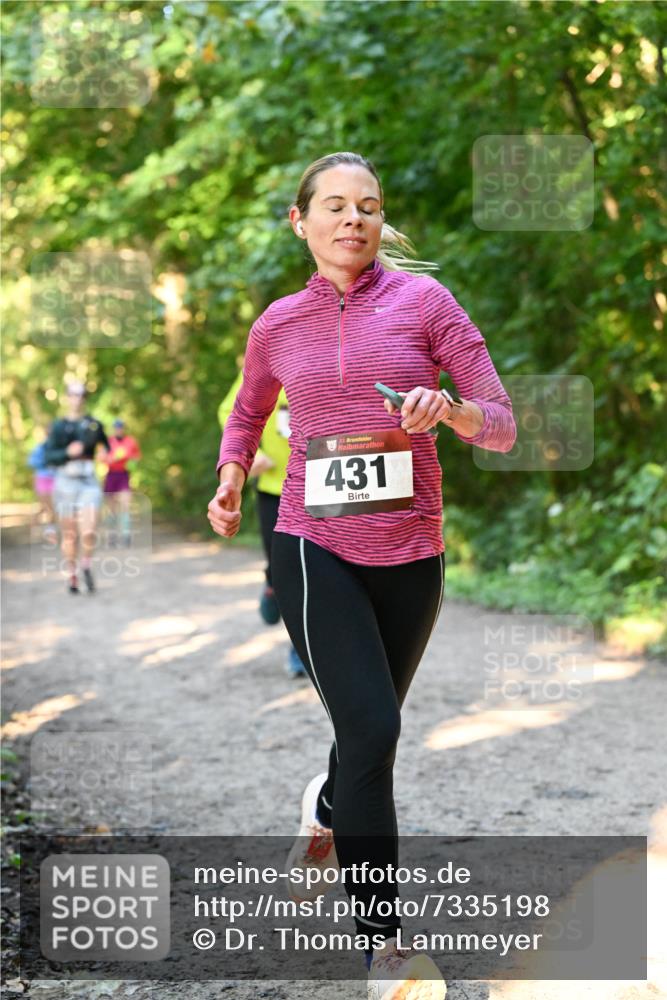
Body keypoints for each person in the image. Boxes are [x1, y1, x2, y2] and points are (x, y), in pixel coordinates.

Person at [207, 151, 517, 1000]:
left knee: (362, 734)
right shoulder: (276, 324)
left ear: (381, 222)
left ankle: (329, 810)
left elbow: (500, 425)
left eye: (369, 206)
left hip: (411, 549)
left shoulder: (427, 304)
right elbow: (247, 409)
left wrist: (447, 409)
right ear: (300, 221)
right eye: (335, 206)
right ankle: (386, 948)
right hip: (313, 544)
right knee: (375, 733)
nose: (353, 219)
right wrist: (233, 473)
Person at [219, 369, 307, 678]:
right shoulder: (268, 362)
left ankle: (301, 652)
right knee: (282, 566)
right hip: (274, 487)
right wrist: (250, 454)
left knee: (309, 572)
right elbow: (232, 412)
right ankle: (272, 582)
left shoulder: (332, 355)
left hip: (320, 488)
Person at [44, 381, 110, 594]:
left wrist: (104, 455)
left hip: (88, 482)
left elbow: (107, 448)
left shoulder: (94, 424)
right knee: (70, 535)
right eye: (73, 394)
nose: (78, 398)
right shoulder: (58, 426)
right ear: (67, 397)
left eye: (81, 395)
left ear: (85, 399)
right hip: (65, 483)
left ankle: (86, 566)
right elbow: (48, 457)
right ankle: (72, 574)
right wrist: (66, 453)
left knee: (89, 530)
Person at [103, 418, 141, 548]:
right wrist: (113, 458)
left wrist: (132, 462)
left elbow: (137, 456)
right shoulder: (108, 442)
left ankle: (126, 534)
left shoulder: (130, 441)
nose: (119, 429)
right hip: (111, 475)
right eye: (117, 427)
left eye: (121, 427)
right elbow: (102, 458)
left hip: (124, 475)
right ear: (114, 429)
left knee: (125, 504)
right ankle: (112, 535)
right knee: (111, 507)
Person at [27, 428, 57, 539]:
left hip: (55, 480)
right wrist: (44, 462)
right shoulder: (41, 447)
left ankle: (50, 529)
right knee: (45, 506)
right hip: (43, 479)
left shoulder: (58, 447)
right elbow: (31, 462)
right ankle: (34, 526)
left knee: (52, 506)